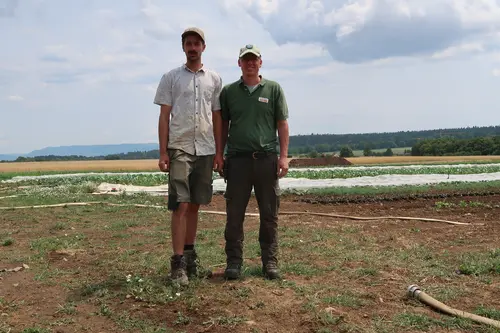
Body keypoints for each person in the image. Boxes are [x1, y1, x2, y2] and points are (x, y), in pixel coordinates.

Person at [153, 27, 224, 286]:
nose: (192, 47)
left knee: (195, 204)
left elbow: (217, 116)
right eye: (188, 44)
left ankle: (191, 256)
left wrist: (219, 152)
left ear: (203, 47)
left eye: (196, 43)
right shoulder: (171, 78)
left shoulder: (214, 79)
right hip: (180, 146)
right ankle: (178, 263)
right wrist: (163, 151)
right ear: (183, 48)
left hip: (205, 148)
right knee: (180, 204)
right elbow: (164, 117)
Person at [219, 44, 290, 280]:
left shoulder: (273, 89)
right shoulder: (229, 92)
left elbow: (282, 124)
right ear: (239, 63)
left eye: (254, 59)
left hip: (266, 160)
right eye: (245, 59)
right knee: (234, 214)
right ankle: (234, 263)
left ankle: (269, 262)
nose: (250, 63)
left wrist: (283, 157)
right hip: (237, 162)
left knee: (269, 214)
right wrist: (220, 155)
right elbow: (222, 126)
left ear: (261, 62)